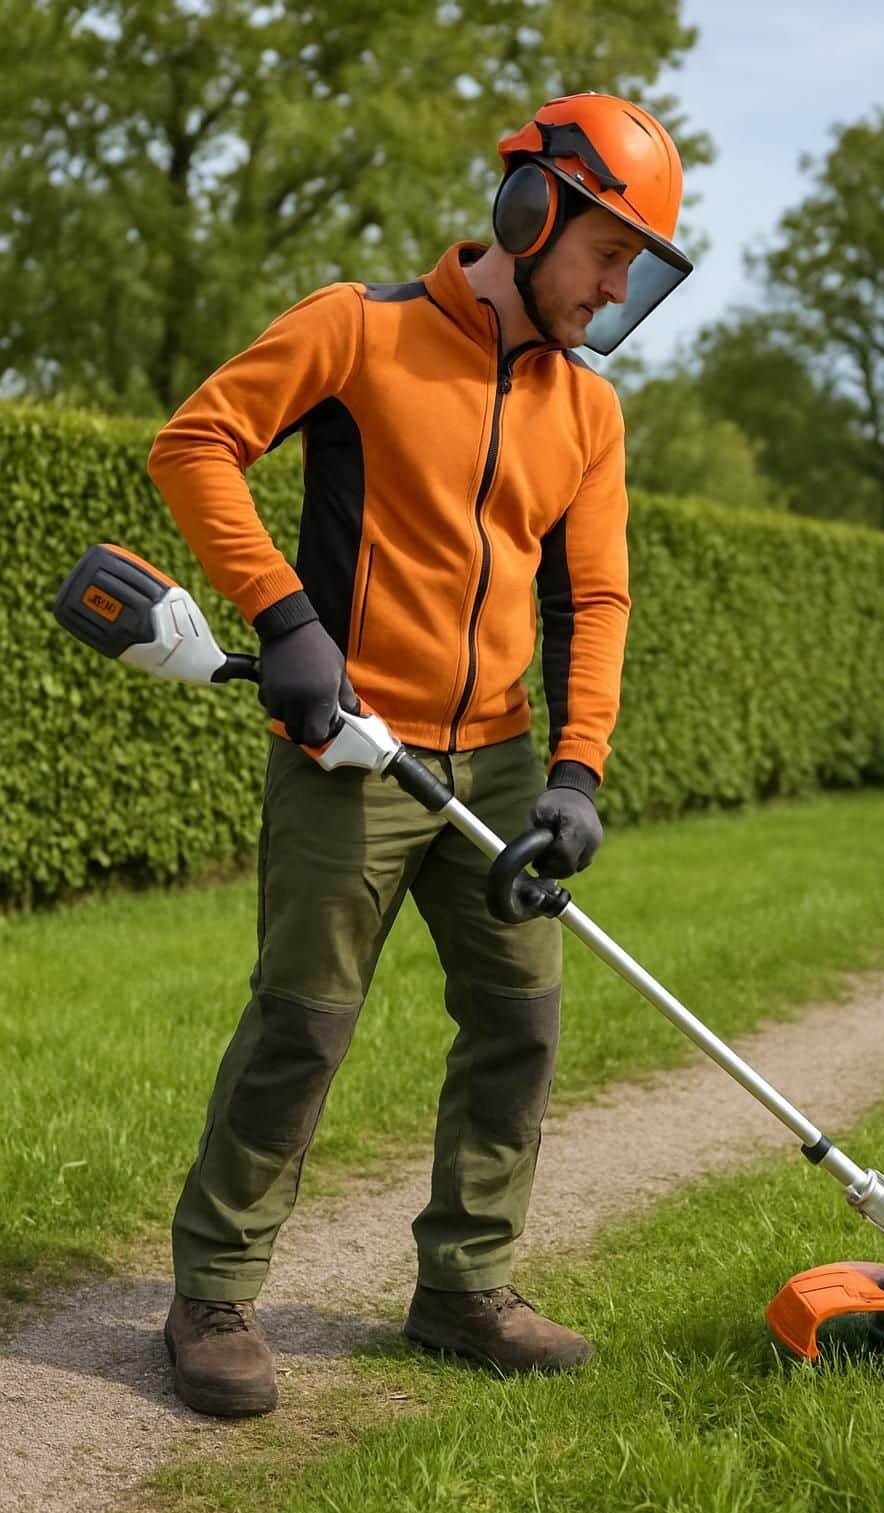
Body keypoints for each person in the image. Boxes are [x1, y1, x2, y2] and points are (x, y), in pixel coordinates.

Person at [148, 91, 692, 1418]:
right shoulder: (362, 330)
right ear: (531, 210)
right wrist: (284, 621)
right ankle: (213, 1293)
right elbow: (196, 443)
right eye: (608, 253)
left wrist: (576, 777)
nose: (618, 288)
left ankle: (464, 1287)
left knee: (519, 1019)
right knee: (306, 1021)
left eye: (641, 269)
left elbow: (594, 602)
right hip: (350, 750)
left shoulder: (589, 414)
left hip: (498, 763)